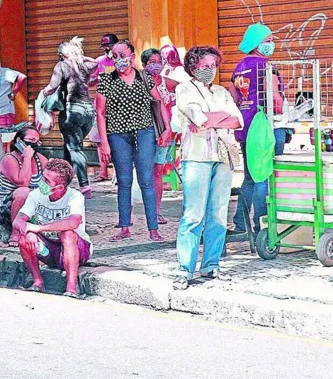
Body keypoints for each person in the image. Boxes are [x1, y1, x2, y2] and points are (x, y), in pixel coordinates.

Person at [171, 46, 243, 290]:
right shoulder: (184, 89)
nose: (210, 70)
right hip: (196, 156)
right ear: (193, 66)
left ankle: (211, 265)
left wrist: (210, 118)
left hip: (223, 156)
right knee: (193, 215)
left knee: (218, 213)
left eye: (213, 66)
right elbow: (197, 117)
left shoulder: (221, 91)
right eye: (205, 66)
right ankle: (184, 269)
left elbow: (237, 120)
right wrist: (216, 118)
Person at [96, 41, 163, 242]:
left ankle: (153, 228)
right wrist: (104, 142)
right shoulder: (106, 80)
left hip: (144, 133)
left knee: (146, 180)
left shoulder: (144, 78)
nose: (118, 60)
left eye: (122, 54)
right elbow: (100, 113)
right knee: (124, 181)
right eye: (114, 56)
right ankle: (124, 226)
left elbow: (158, 102)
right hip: (118, 136)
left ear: (132, 56)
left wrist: (166, 129)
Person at [229, 23, 287, 234]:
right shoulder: (266, 66)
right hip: (265, 128)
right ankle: (263, 226)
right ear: (256, 44)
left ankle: (241, 224)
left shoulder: (238, 68)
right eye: (267, 40)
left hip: (245, 126)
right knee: (265, 176)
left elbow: (233, 99)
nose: (271, 44)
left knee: (250, 176)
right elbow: (275, 101)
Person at [14, 158, 92, 298]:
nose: (41, 182)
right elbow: (18, 220)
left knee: (67, 234)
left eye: (46, 181)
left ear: (59, 188)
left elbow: (73, 222)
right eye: (43, 178)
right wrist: (29, 231)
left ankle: (71, 287)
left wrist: (37, 228)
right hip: (49, 249)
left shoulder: (75, 196)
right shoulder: (35, 194)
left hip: (77, 249)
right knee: (24, 237)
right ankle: (38, 282)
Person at [41, 36, 98, 198]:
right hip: (88, 111)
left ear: (62, 55)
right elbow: (95, 63)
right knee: (69, 146)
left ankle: (84, 185)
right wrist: (80, 56)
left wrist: (43, 95)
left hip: (71, 110)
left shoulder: (62, 66)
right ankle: (63, 180)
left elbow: (52, 86)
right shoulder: (85, 65)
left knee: (75, 148)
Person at [0, 125, 49, 247]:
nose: (35, 144)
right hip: (5, 207)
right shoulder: (9, 159)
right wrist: (27, 157)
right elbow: (23, 183)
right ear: (19, 141)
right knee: (23, 192)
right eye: (31, 140)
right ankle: (15, 232)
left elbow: (49, 179)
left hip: (32, 205)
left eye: (37, 141)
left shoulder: (40, 159)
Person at [141, 47, 172, 226]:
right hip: (144, 132)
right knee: (145, 172)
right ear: (144, 65)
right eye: (152, 62)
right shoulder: (138, 82)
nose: (156, 65)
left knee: (158, 171)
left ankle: (157, 212)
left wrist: (168, 129)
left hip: (162, 132)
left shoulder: (166, 82)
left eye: (159, 61)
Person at [90, 33, 120, 181]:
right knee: (99, 139)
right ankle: (103, 172)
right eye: (105, 47)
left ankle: (118, 173)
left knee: (117, 139)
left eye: (109, 46)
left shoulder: (123, 60)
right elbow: (89, 81)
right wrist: (98, 77)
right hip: (101, 105)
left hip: (119, 106)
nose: (107, 49)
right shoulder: (99, 61)